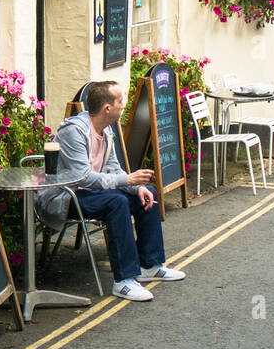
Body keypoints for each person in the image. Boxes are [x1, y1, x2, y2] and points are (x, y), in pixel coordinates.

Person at [39, 80, 185, 302]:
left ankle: (150, 264)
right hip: (67, 196)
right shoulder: (74, 131)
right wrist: (127, 179)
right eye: (120, 101)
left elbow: (114, 169)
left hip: (93, 192)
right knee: (117, 202)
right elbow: (82, 177)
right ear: (107, 108)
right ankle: (123, 281)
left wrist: (136, 187)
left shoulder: (107, 132)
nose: (123, 105)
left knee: (147, 194)